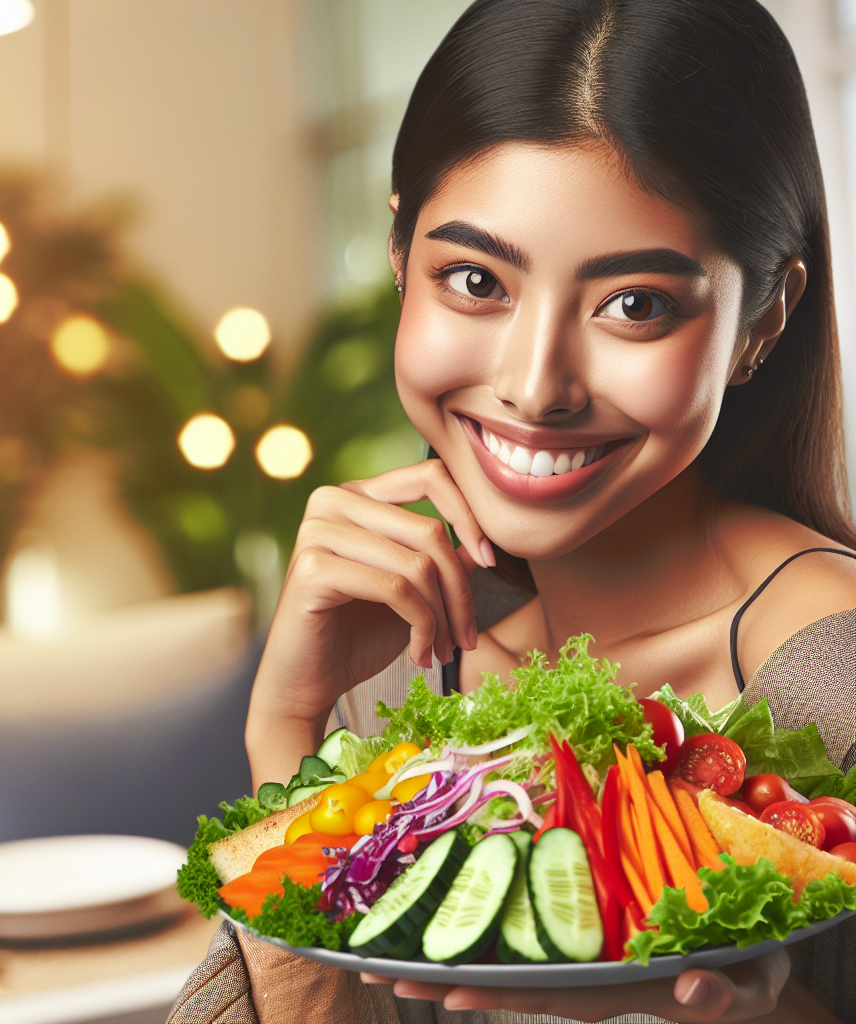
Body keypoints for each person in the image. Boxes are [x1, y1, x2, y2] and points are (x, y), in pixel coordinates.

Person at [170, 0, 856, 1021]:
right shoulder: (394, 664)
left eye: (635, 304)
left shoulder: (831, 675)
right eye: (474, 279)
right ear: (400, 258)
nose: (537, 386)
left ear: (762, 318)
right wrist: (288, 743)